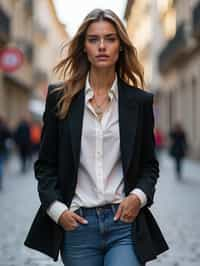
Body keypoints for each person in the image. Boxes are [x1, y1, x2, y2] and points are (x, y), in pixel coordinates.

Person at [24, 9, 168, 266]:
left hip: (123, 224)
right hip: (77, 225)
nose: (102, 46)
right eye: (93, 39)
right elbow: (45, 166)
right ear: (84, 47)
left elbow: (149, 165)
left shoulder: (139, 102)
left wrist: (138, 197)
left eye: (110, 39)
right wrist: (58, 212)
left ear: (121, 47)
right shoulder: (60, 98)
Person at [0, 115, 11, 190]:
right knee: (0, 165)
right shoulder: (4, 127)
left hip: (2, 149)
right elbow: (9, 136)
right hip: (2, 148)